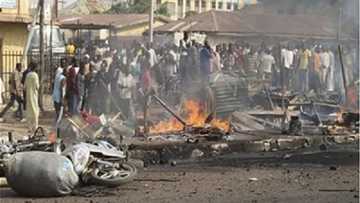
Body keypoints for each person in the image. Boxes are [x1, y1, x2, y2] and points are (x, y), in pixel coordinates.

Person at [24, 62, 40, 133]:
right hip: (34, 96)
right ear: (35, 68)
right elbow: (37, 87)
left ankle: (30, 128)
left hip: (28, 95)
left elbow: (25, 87)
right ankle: (35, 127)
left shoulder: (28, 75)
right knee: (35, 111)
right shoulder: (35, 75)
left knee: (29, 111)